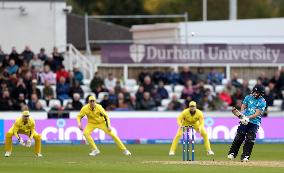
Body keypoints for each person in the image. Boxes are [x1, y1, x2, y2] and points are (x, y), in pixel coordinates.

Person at [227, 84, 266, 162]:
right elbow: (243, 107)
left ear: (261, 93)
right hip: (244, 120)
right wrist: (242, 115)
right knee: (239, 136)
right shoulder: (248, 97)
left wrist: (247, 118)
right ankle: (232, 153)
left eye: (257, 93)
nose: (254, 94)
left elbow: (257, 113)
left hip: (254, 122)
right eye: (254, 92)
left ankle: (245, 156)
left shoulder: (262, 101)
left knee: (250, 138)